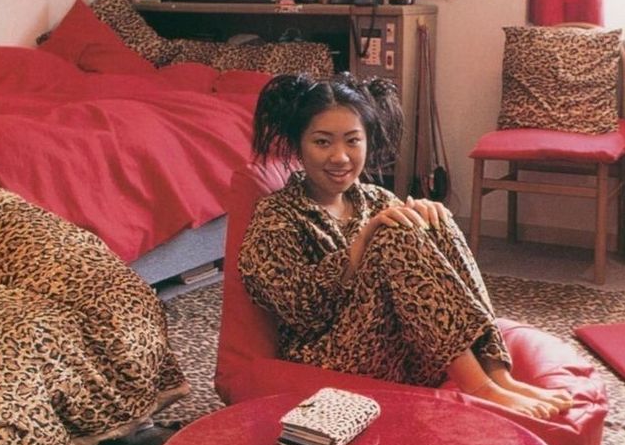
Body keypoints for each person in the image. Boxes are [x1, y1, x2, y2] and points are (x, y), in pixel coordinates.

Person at [238, 73, 573, 419]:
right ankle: (480, 389)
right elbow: (300, 311)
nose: (340, 156)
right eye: (322, 142)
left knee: (431, 217)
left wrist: (427, 219)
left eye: (353, 141)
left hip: (408, 352)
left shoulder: (376, 197)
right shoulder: (277, 214)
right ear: (298, 145)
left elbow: (423, 286)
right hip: (332, 357)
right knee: (393, 232)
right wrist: (361, 245)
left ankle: (498, 375)